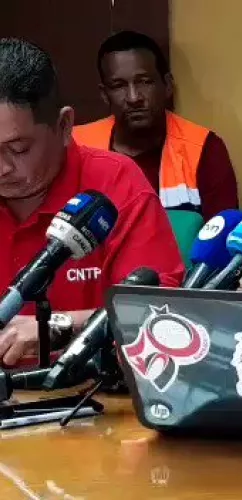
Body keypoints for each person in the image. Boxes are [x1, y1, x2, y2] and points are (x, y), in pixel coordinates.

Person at [0, 38, 184, 366]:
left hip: (89, 388)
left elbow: (160, 315)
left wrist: (58, 325)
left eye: (18, 149)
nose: (2, 168)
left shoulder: (116, 185)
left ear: (64, 126)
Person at [73, 31, 239, 221]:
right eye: (119, 85)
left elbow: (223, 233)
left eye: (144, 82)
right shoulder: (76, 146)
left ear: (167, 85)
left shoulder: (203, 149)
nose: (134, 98)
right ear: (104, 94)